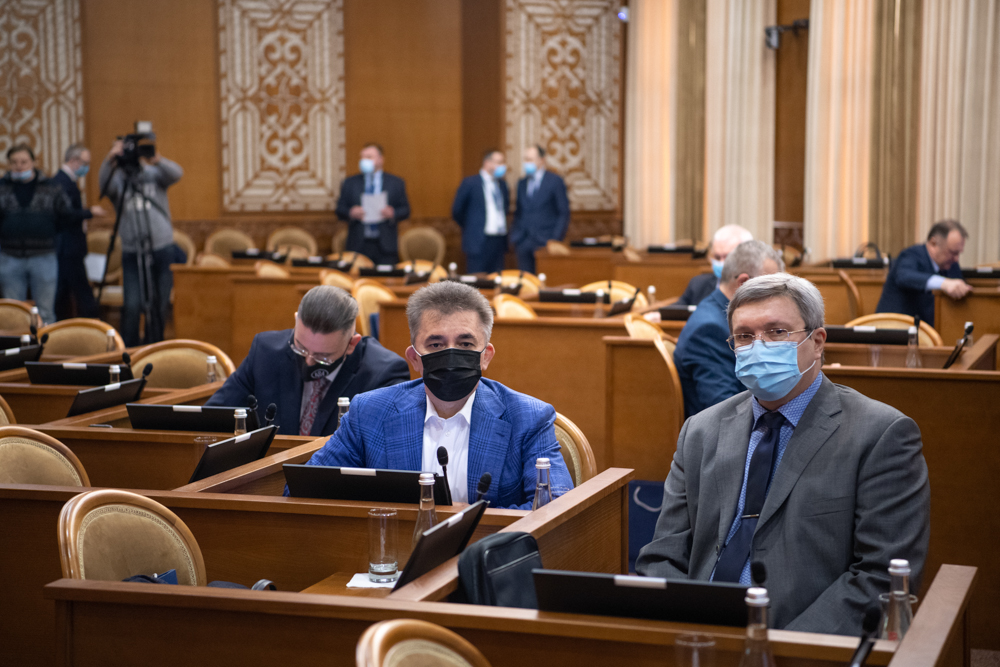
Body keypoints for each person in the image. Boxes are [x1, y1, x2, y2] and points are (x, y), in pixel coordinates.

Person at [636, 273, 930, 635]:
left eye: (777, 332)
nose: (758, 346)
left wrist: (779, 649)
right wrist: (684, 632)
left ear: (817, 342)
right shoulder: (700, 431)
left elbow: (881, 577)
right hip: (699, 635)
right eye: (745, 336)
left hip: (799, 639)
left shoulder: (881, 435)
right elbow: (662, 555)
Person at [301, 281, 574, 509]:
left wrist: (467, 520)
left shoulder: (529, 418)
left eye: (465, 343)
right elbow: (304, 490)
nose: (451, 354)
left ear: (486, 356)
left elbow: (556, 508)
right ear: (414, 359)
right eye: (435, 344)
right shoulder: (368, 412)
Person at [206, 286, 410, 437]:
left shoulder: (384, 373)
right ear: (296, 321)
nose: (309, 362)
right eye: (301, 348)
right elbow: (211, 418)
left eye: (323, 356)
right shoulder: (265, 352)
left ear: (351, 344)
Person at [673, 241, 783, 418]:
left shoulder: (721, 314)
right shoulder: (710, 330)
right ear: (744, 284)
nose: (777, 299)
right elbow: (726, 412)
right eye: (771, 289)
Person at [98, 139, 183, 346]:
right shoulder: (117, 179)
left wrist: (157, 159)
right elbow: (104, 186)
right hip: (132, 250)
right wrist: (110, 159)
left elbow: (176, 174)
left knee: (159, 303)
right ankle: (130, 349)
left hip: (161, 247)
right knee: (132, 305)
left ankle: (155, 344)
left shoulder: (153, 173)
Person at [0, 144, 70, 325]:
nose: (19, 166)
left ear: (33, 162)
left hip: (43, 256)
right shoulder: (2, 187)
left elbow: (64, 216)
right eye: (14, 162)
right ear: (9, 164)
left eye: (24, 162)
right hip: (10, 257)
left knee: (45, 312)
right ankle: (18, 345)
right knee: (13, 315)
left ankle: (45, 344)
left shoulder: (51, 187)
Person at [876, 220, 972, 324]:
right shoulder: (911, 254)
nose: (956, 259)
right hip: (894, 327)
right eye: (952, 252)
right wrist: (943, 283)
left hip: (933, 329)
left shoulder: (951, 264)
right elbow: (904, 276)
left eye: (958, 253)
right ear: (933, 243)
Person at [51, 144, 106, 320]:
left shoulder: (67, 181)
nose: (86, 167)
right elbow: (65, 215)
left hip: (69, 247)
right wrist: (89, 212)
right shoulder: (62, 182)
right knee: (81, 291)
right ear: (74, 160)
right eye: (85, 163)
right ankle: (93, 326)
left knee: (64, 293)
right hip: (68, 247)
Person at [335, 143, 410, 265]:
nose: (364, 160)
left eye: (369, 157)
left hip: (386, 245)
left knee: (385, 276)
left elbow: (406, 210)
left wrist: (392, 213)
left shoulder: (396, 183)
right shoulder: (350, 183)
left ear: (381, 159)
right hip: (359, 243)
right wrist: (351, 212)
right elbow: (340, 209)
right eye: (362, 157)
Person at [511, 145, 569, 274]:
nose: (527, 163)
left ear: (542, 160)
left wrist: (554, 239)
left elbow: (563, 212)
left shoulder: (555, 181)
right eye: (525, 159)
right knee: (526, 281)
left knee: (545, 280)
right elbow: (519, 211)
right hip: (523, 240)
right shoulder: (522, 183)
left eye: (530, 159)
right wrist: (515, 236)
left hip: (545, 241)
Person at [452, 149, 510, 274]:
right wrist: (471, 226)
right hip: (478, 240)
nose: (502, 166)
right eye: (499, 162)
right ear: (487, 163)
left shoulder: (502, 185)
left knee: (497, 278)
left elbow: (505, 209)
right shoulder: (470, 183)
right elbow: (457, 211)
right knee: (477, 279)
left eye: (503, 162)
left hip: (498, 241)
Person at [676, 225, 754, 306]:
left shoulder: (757, 288)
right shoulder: (698, 284)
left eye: (727, 257)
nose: (721, 262)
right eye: (717, 257)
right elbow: (675, 310)